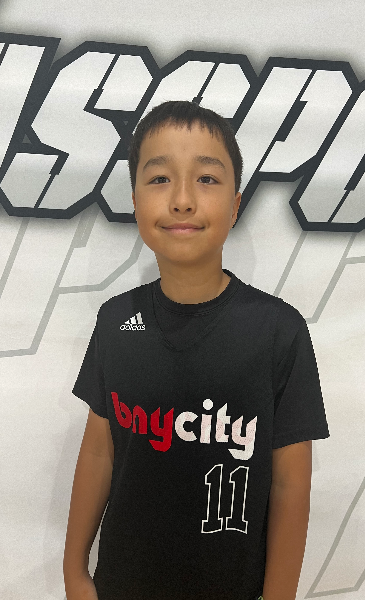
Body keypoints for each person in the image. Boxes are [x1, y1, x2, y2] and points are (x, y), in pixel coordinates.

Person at [63, 100, 330, 600]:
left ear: (235, 204)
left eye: (206, 179)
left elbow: (290, 485)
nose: (182, 200)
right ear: (135, 201)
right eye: (160, 178)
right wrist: (74, 571)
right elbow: (99, 448)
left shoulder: (279, 331)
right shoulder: (116, 321)